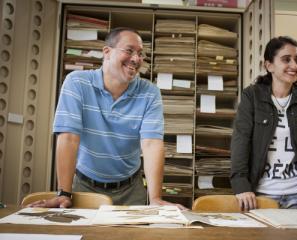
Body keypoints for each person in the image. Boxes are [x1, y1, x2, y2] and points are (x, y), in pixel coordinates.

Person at [30, 27, 184, 209]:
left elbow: (151, 144)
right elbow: (69, 138)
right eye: (129, 51)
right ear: (107, 52)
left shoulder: (149, 92)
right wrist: (64, 192)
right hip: (84, 187)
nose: (136, 59)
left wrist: (156, 198)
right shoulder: (77, 82)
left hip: (131, 189)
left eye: (140, 54)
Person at [230, 36, 297, 212]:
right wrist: (241, 186)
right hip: (260, 195)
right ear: (269, 65)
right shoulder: (252, 96)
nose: (294, 65)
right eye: (286, 59)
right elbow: (240, 142)